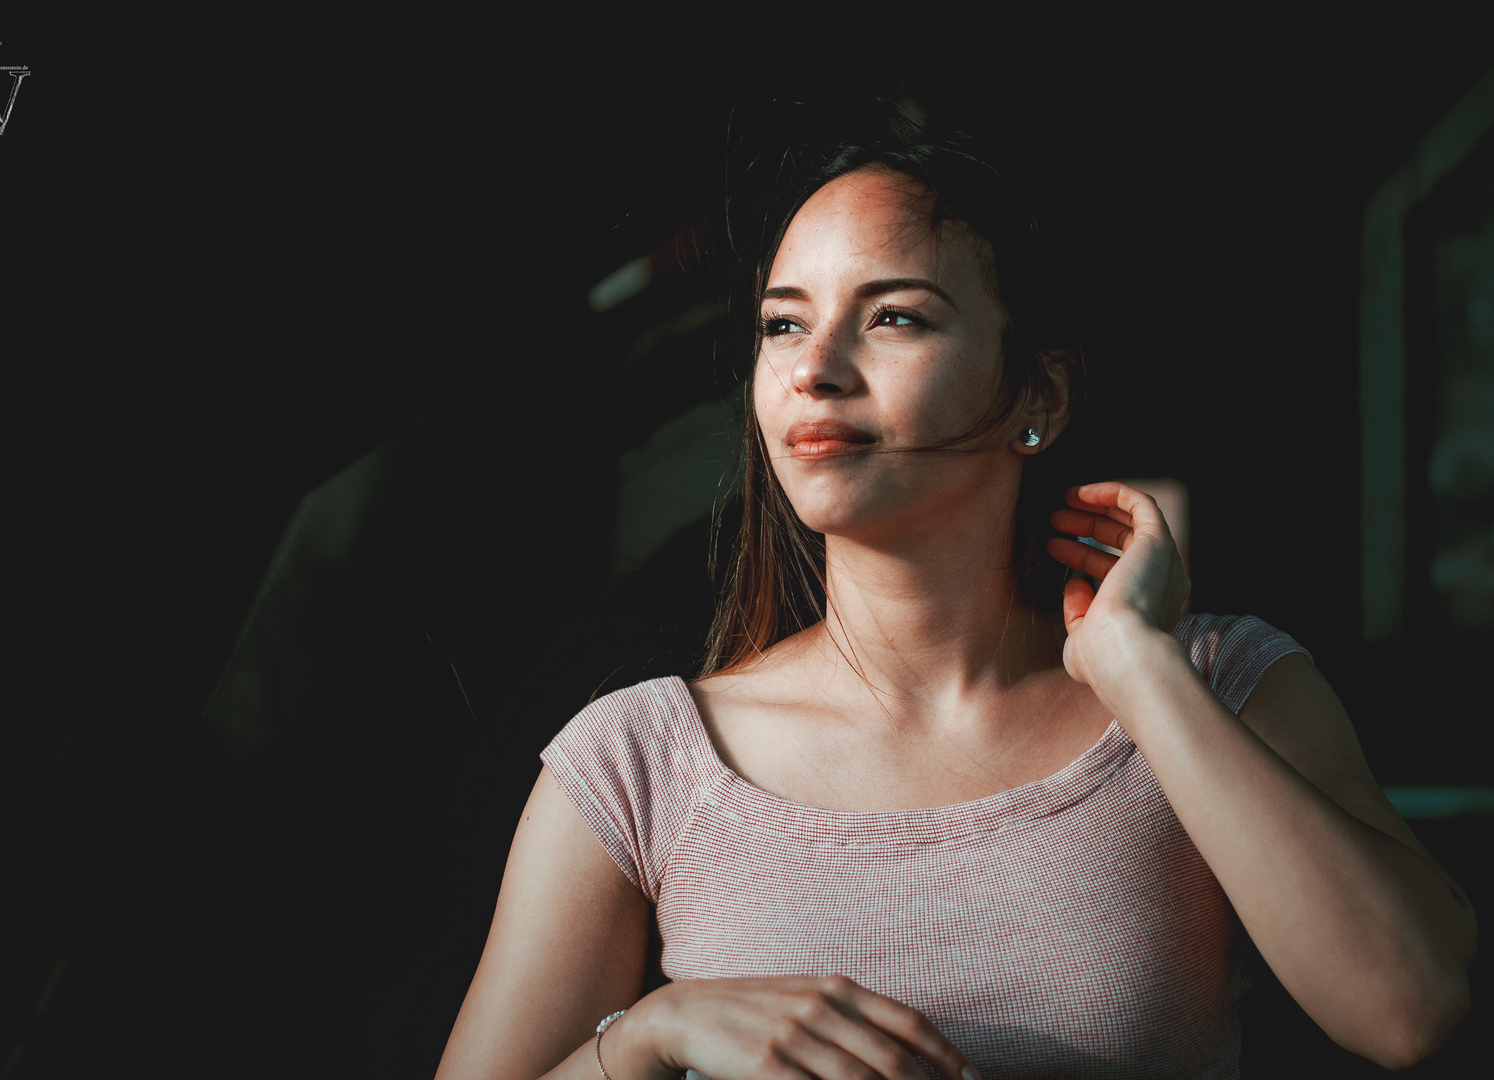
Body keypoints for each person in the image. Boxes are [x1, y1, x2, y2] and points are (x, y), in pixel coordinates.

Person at [437, 110, 1475, 1080]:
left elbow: (1408, 1011)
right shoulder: (638, 763)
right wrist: (648, 1039)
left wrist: (1136, 673)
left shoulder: (1221, 685)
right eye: (781, 325)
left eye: (892, 317)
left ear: (1037, 394)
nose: (814, 371)